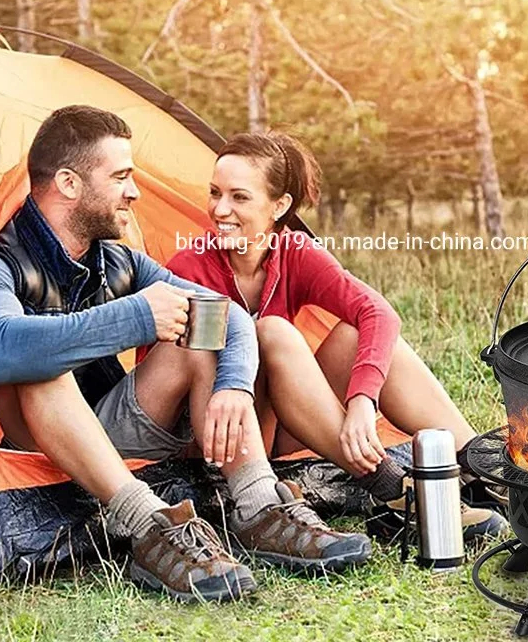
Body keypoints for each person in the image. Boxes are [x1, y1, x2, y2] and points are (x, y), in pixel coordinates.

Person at [0, 107, 370, 603]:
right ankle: (148, 526)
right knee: (39, 366)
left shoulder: (116, 259)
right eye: (120, 177)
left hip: (108, 423)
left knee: (200, 332)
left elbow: (231, 318)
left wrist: (233, 386)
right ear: (69, 184)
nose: (134, 191)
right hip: (37, 446)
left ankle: (257, 506)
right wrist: (136, 317)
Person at [167, 132, 508, 542]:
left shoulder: (291, 251)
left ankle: (484, 471)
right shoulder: (189, 266)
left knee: (356, 331)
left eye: (239, 197)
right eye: (215, 193)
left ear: (280, 206)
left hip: (279, 426)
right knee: (273, 331)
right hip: (218, 433)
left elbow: (377, 312)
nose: (220, 209)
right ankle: (392, 491)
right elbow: (176, 380)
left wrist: (362, 400)